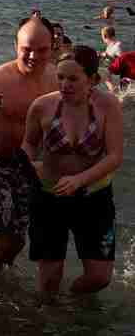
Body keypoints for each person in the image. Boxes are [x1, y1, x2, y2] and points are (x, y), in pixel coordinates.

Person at [22, 46, 123, 297]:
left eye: (73, 79)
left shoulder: (107, 106)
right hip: (48, 197)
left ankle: (73, 303)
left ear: (92, 79)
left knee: (99, 278)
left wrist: (80, 180)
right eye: (60, 77)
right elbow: (30, 144)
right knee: (49, 281)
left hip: (93, 197)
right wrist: (24, 167)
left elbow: (114, 156)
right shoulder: (42, 106)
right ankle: (49, 325)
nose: (64, 84)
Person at [0, 15, 58, 276]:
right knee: (8, 239)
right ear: (15, 46)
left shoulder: (55, 78)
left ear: (53, 47)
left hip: (26, 165)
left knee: (19, 238)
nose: (34, 57)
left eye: (42, 50)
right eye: (26, 49)